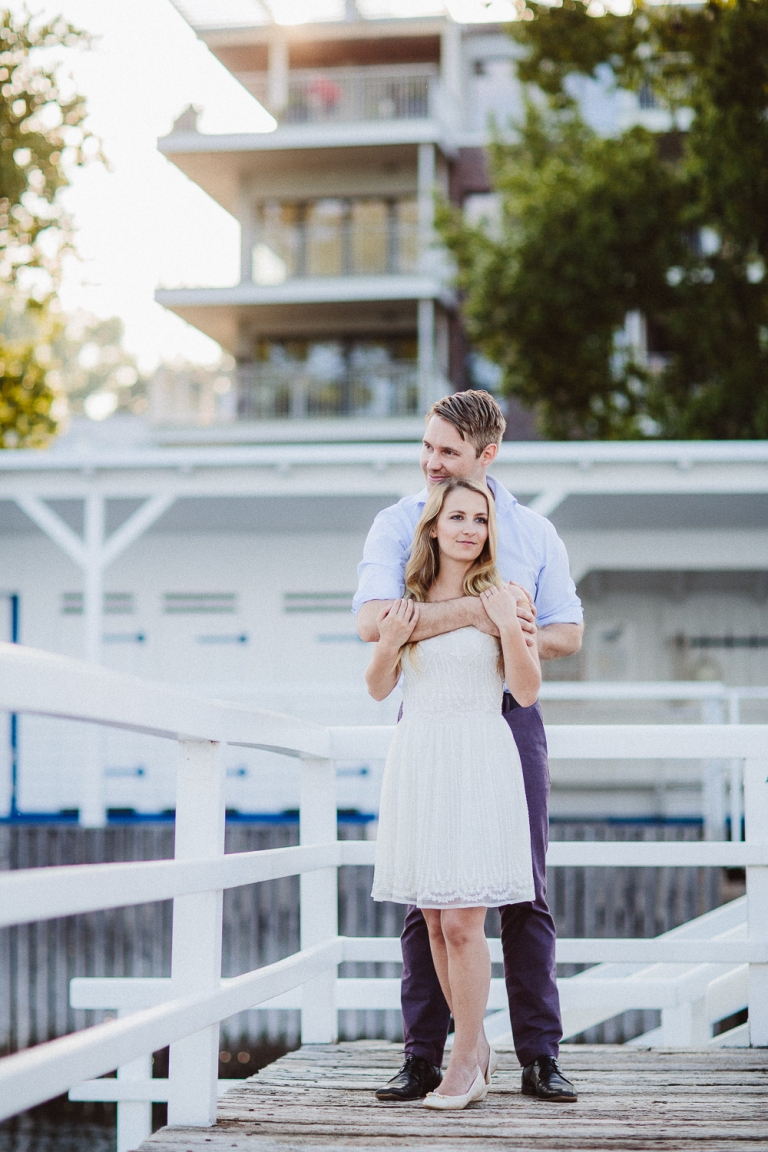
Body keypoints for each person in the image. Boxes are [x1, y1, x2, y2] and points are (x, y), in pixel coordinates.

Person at [354, 390, 583, 1104]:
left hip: (508, 717)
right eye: (426, 447)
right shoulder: (400, 523)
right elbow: (373, 623)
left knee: (524, 891)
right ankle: (427, 1054)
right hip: (429, 719)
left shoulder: (534, 532)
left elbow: (567, 633)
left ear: (487, 456)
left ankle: (538, 1057)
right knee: (429, 893)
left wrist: (506, 632)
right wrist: (474, 616)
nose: (430, 463)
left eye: (446, 452)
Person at [366, 477, 539, 1110]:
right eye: (457, 516)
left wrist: (512, 630)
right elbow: (379, 687)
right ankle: (475, 1045)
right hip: (420, 757)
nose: (469, 528)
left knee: (465, 920)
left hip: (478, 755)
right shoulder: (406, 602)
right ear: (434, 525)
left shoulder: (504, 595)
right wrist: (389, 642)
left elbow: (524, 690)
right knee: (436, 920)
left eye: (481, 519)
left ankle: (465, 1059)